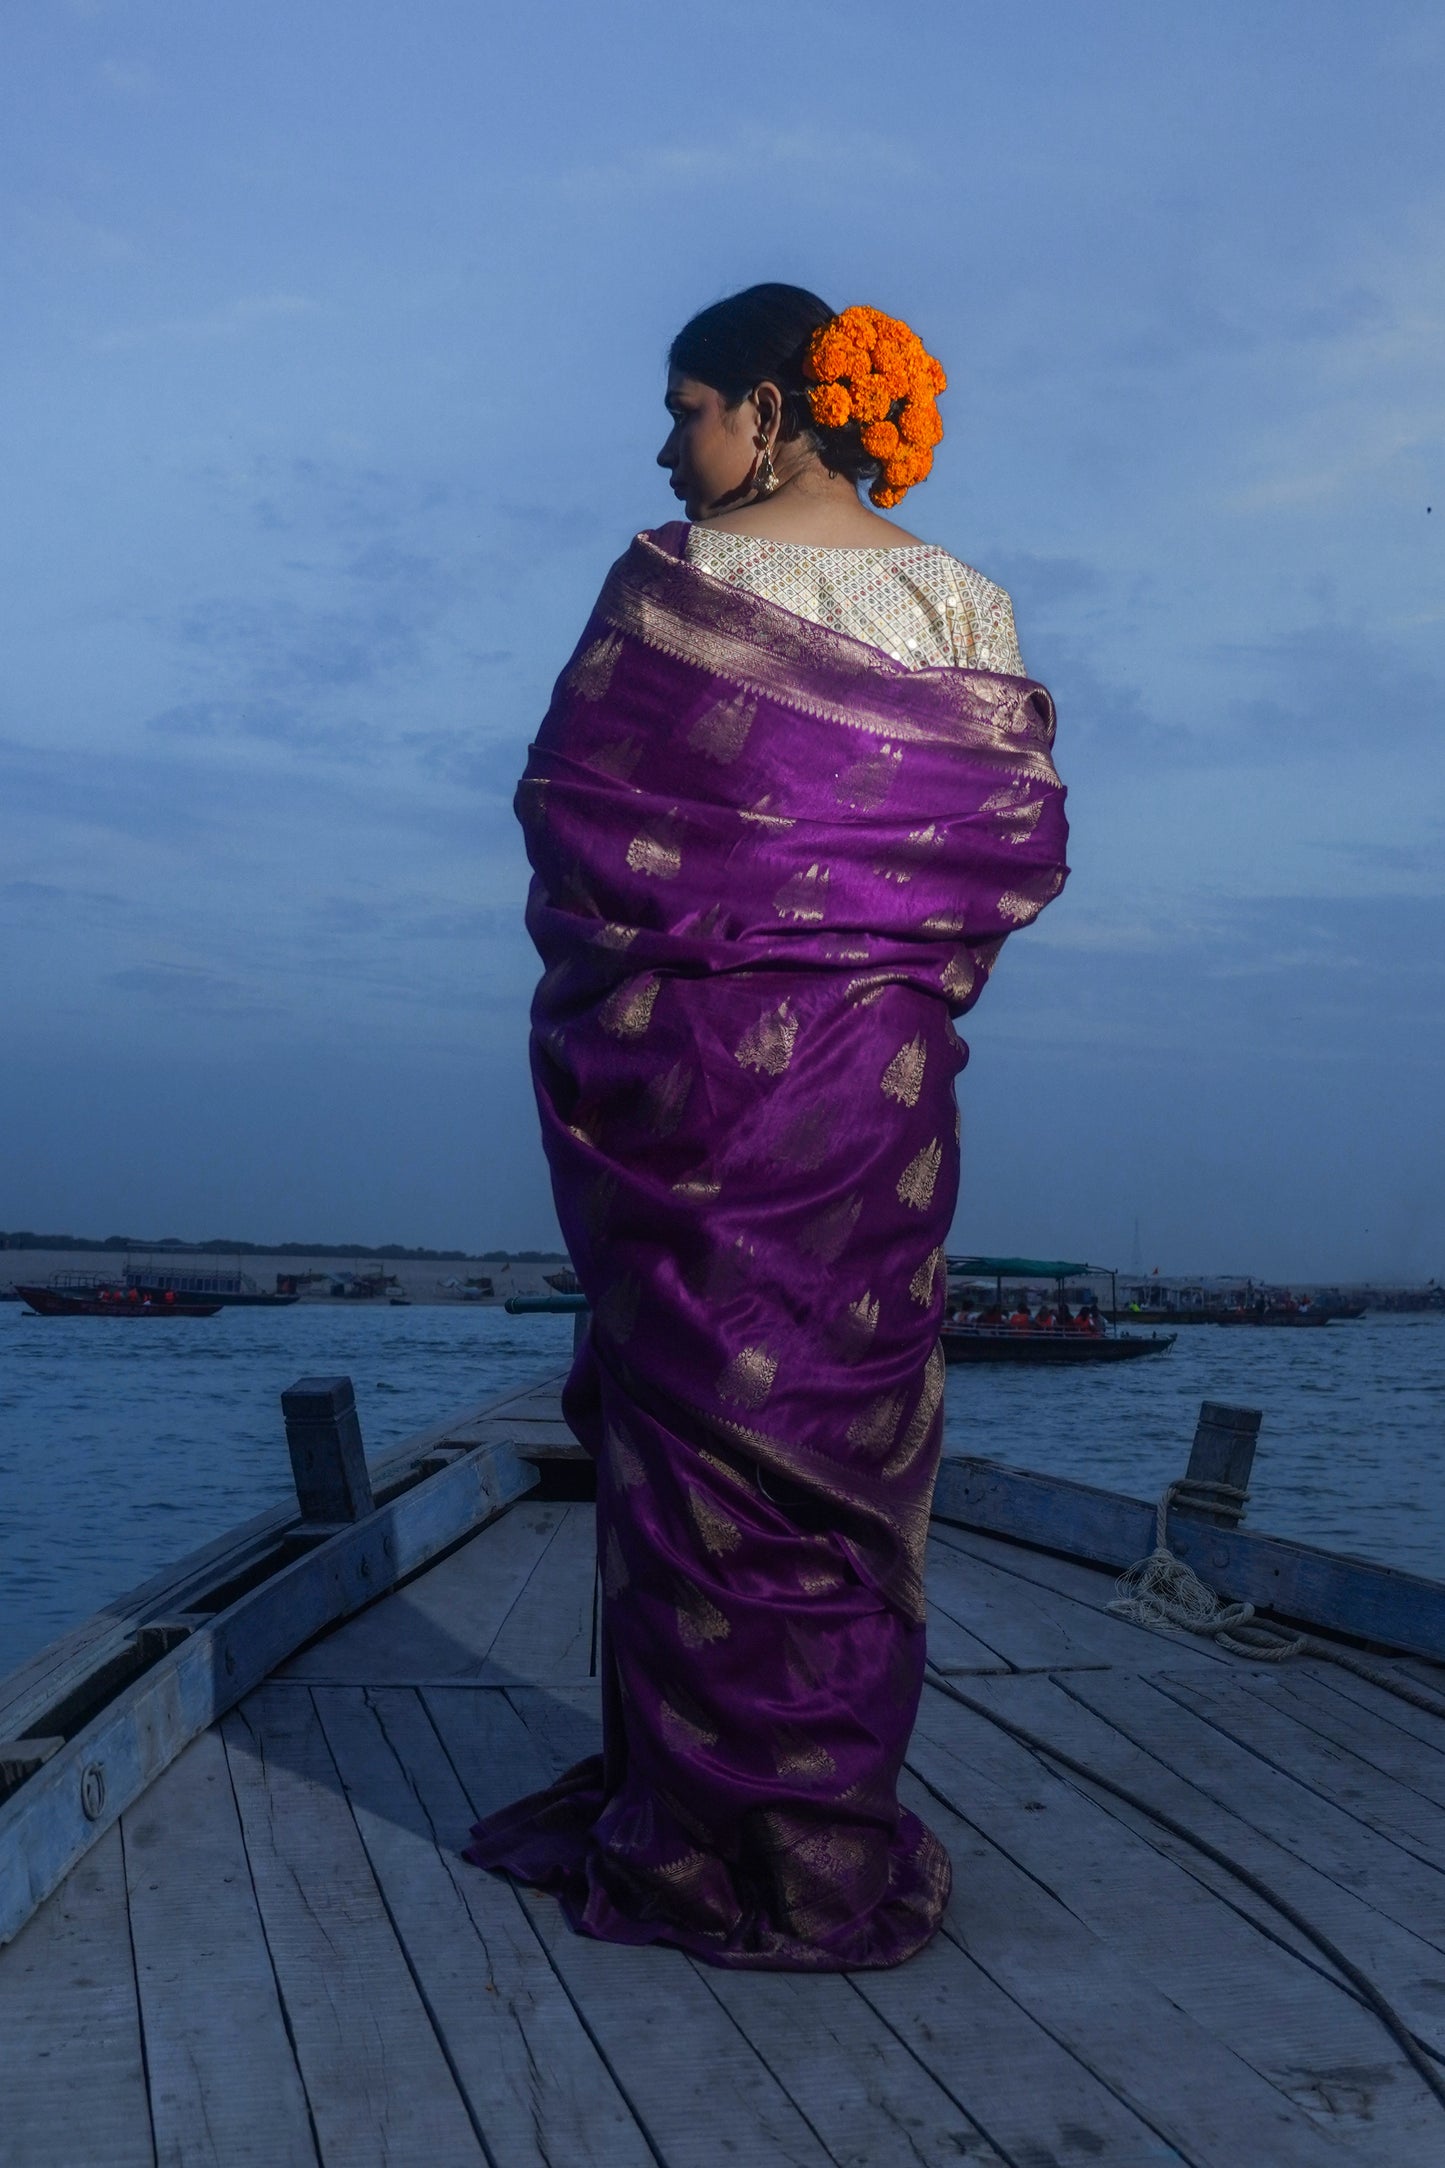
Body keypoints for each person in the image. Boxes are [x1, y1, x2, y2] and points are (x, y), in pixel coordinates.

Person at [464, 284, 1069, 1970]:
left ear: (773, 412)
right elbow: (991, 865)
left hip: (699, 1088)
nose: (665, 445)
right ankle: (797, 1828)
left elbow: (579, 839)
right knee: (811, 1443)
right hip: (857, 1092)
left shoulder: (669, 595)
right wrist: (844, 965)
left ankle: (727, 1826)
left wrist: (743, 952)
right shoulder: (960, 604)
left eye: (686, 408)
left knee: (721, 1442)